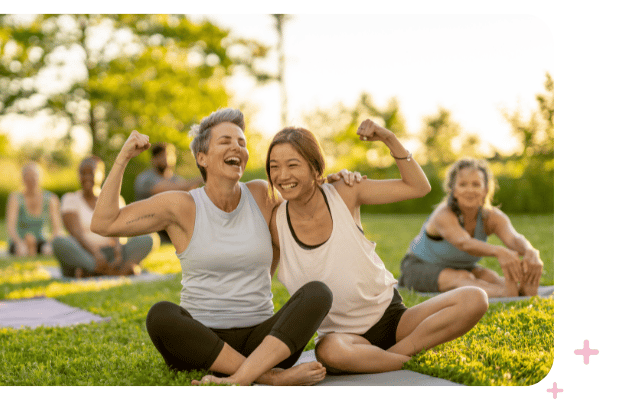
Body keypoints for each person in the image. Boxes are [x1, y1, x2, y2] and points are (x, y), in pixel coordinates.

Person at [91, 108, 357, 386]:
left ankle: (244, 374)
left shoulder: (261, 194)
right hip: (200, 343)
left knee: (317, 294)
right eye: (226, 141)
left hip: (263, 342)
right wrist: (122, 157)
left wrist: (335, 182)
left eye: (242, 143)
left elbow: (305, 196)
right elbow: (104, 223)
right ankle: (269, 377)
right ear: (201, 157)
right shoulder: (181, 205)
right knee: (161, 315)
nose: (237, 147)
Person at [267, 122, 489, 374]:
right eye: (274, 167)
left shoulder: (345, 192)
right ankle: (407, 359)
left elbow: (418, 187)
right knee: (329, 352)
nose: (282, 176)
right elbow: (262, 284)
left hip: (394, 320)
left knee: (475, 299)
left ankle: (386, 357)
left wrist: (388, 137)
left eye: (292, 165)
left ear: (315, 167)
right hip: (343, 339)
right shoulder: (275, 223)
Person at [398, 158, 544, 297]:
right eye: (463, 184)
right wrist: (499, 251)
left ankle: (520, 291)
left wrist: (530, 251)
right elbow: (464, 243)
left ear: (485, 190)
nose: (470, 190)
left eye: (476, 184)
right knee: (463, 277)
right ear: (453, 190)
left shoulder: (492, 217)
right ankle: (506, 294)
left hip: (462, 267)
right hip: (418, 267)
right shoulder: (443, 214)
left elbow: (513, 238)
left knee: (490, 277)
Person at [52, 156, 156, 277]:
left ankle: (94, 272)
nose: (86, 177)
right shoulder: (70, 199)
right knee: (58, 242)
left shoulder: (114, 199)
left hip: (110, 253)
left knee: (149, 238)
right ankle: (112, 270)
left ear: (101, 175)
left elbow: (119, 231)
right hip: (84, 253)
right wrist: (95, 253)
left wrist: (118, 252)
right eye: (82, 173)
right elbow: (76, 232)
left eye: (91, 173)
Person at [134, 142, 204, 244]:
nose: (166, 158)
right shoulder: (145, 178)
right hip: (150, 228)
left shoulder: (177, 180)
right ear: (153, 159)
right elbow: (168, 189)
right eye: (161, 156)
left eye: (169, 155)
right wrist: (201, 178)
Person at [4, 161, 62, 257]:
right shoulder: (15, 198)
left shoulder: (51, 199)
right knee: (22, 251)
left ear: (40, 178)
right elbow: (10, 227)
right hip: (20, 240)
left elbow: (57, 228)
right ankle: (29, 247)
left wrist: (49, 244)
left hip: (42, 241)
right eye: (27, 176)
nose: (31, 179)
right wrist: (19, 243)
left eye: (34, 175)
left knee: (48, 251)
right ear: (22, 178)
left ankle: (34, 248)